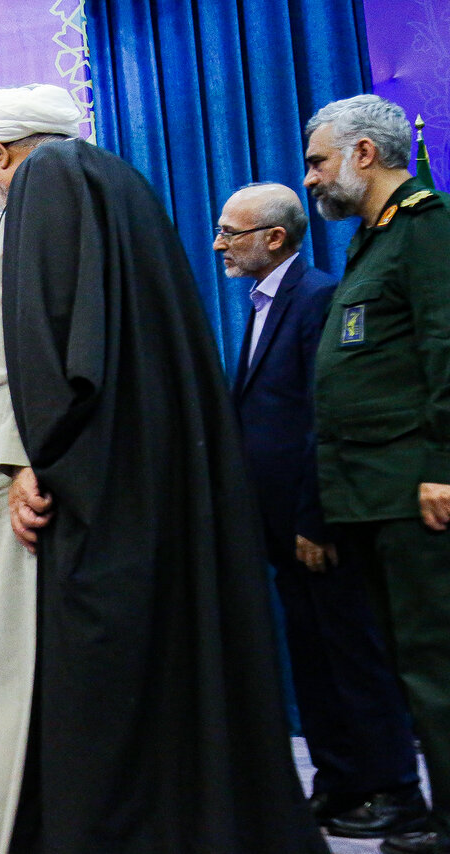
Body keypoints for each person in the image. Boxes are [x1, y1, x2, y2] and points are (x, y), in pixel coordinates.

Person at [0, 83, 326, 853]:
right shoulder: (119, 182)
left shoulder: (48, 180)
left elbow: (56, 344)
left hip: (78, 503)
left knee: (75, 707)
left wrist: (26, 457)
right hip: (140, 493)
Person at [218, 182, 424, 836]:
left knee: (354, 659)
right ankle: (339, 785)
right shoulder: (263, 303)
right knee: (313, 661)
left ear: (274, 238)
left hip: (317, 525)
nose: (219, 244)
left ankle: (394, 790)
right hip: (279, 526)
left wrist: (313, 518)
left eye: (231, 232)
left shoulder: (318, 298)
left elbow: (322, 417)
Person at [304, 93, 450, 854]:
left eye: (319, 161)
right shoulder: (373, 239)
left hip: (415, 494)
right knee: (412, 669)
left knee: (437, 669)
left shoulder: (426, 229)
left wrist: (444, 466)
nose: (311, 178)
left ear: (364, 153)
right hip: (371, 496)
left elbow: (446, 348)